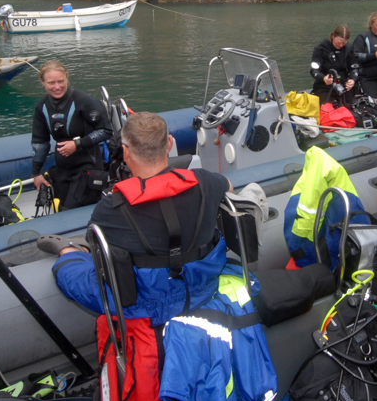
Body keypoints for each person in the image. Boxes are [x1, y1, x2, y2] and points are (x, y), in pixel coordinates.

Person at [37, 111, 230, 326]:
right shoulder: (206, 181)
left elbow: (99, 248)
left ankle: (70, 252)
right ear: (169, 144)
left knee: (68, 271)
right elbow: (228, 186)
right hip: (203, 286)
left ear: (125, 152)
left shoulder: (111, 207)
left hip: (143, 305)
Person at [30, 60, 114, 211]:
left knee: (69, 211)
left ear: (67, 77)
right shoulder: (42, 106)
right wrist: (36, 173)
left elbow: (106, 131)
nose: (57, 87)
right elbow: (40, 142)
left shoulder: (83, 100)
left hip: (87, 168)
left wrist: (77, 144)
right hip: (63, 170)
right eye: (51, 83)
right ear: (42, 82)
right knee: (60, 210)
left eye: (61, 81)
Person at [310, 24, 355, 105]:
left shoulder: (349, 48)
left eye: (344, 43)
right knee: (327, 107)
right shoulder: (321, 49)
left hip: (343, 84)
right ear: (333, 36)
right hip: (324, 85)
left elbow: (353, 66)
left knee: (350, 105)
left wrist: (352, 79)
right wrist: (323, 78)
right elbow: (314, 71)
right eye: (338, 42)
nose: (341, 45)